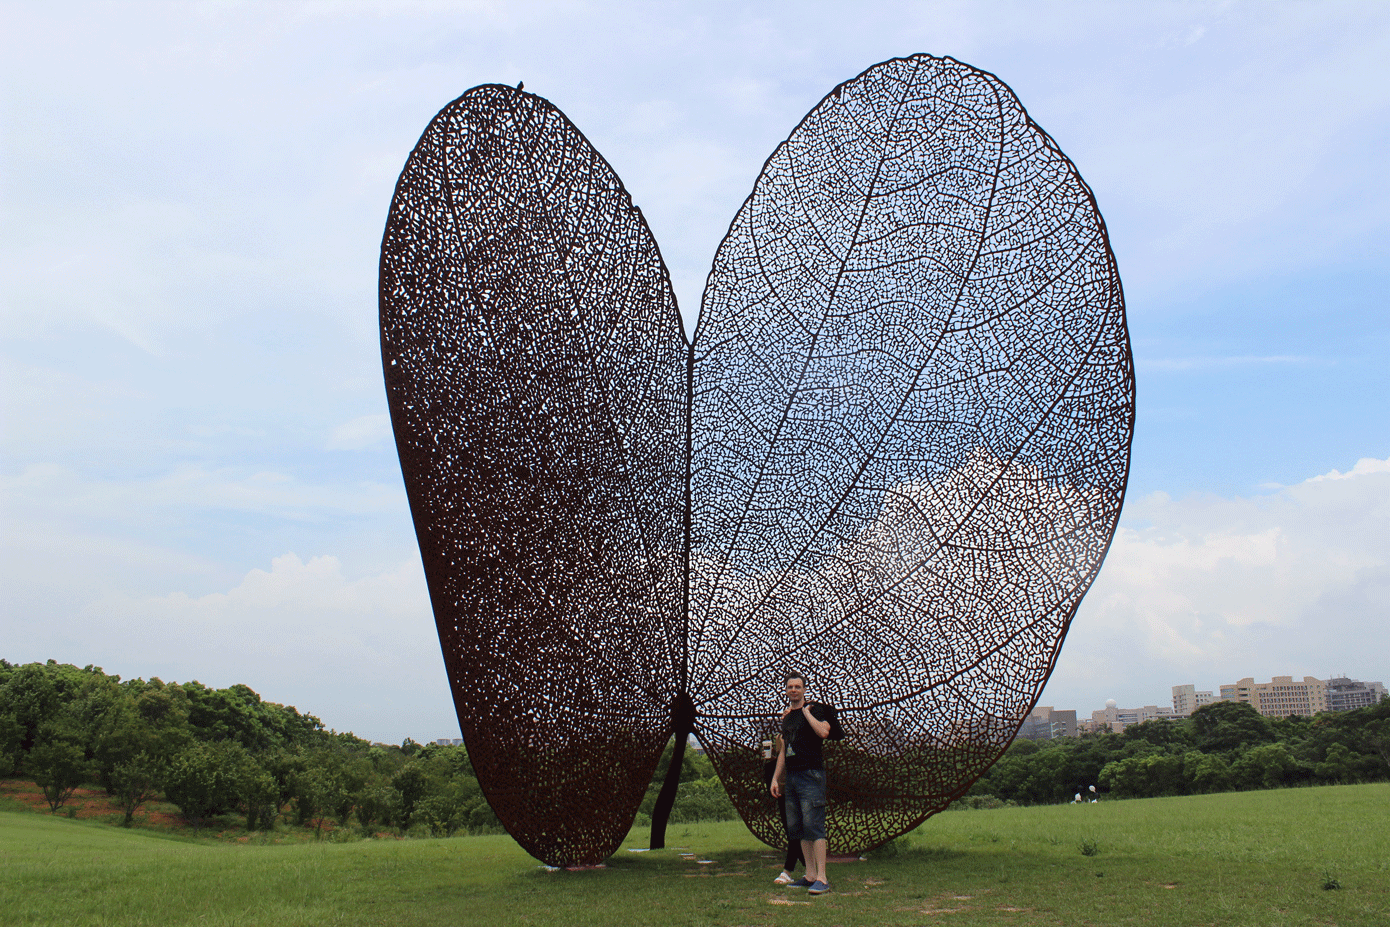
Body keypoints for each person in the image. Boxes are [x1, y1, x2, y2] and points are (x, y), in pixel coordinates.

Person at [769, 671, 843, 895]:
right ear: (786, 690)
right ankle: (810, 875)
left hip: (811, 775)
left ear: (804, 689)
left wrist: (805, 713)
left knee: (814, 825)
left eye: (797, 686)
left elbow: (823, 732)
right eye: (790, 686)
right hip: (791, 776)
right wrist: (775, 777)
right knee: (798, 828)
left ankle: (822, 878)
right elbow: (784, 751)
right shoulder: (787, 718)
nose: (793, 690)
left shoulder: (816, 709)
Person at [762, 734, 805, 884]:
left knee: (794, 831)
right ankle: (808, 865)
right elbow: (781, 761)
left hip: (795, 785)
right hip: (782, 787)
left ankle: (788, 870)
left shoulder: (798, 733)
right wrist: (771, 756)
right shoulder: (781, 736)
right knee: (791, 830)